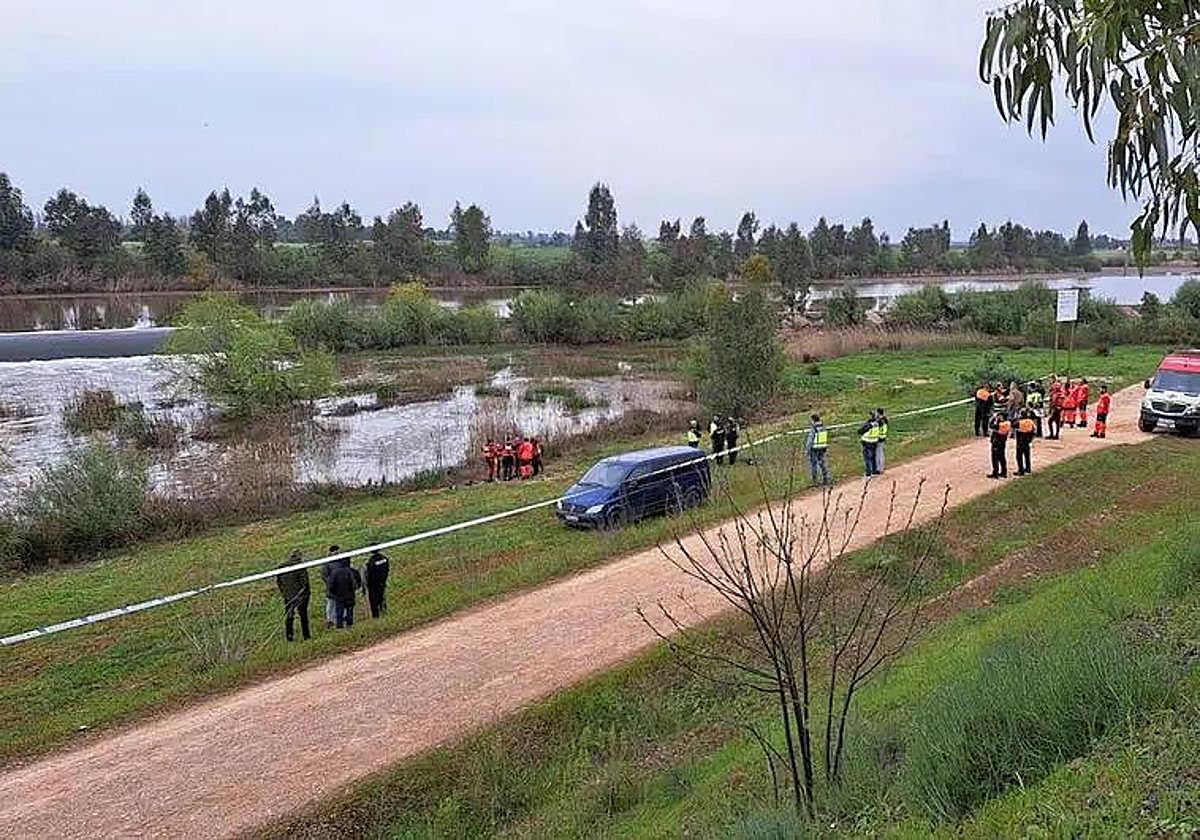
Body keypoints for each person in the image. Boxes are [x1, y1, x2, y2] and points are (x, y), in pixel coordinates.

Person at [275, 550, 311, 642]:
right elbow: (305, 582)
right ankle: (306, 636)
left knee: (289, 615)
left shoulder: (281, 567)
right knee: (303, 615)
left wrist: (283, 592)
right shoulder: (300, 566)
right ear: (299, 557)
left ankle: (289, 636)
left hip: (287, 596)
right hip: (300, 596)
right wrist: (305, 594)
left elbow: (279, 582)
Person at [328, 557, 362, 629]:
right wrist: (353, 591)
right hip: (350, 595)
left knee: (339, 612)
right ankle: (349, 625)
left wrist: (334, 593)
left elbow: (330, 585)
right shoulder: (352, 571)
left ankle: (339, 626)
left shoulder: (335, 572)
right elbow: (355, 583)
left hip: (339, 596)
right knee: (350, 611)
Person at [362, 549, 390, 619]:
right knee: (382, 597)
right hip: (382, 581)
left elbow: (368, 574)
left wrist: (366, 585)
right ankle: (383, 612)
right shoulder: (384, 558)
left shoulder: (370, 562)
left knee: (374, 600)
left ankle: (376, 615)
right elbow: (387, 569)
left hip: (373, 584)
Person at [805, 413, 831, 486]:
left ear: (813, 420)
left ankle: (815, 481)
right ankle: (826, 478)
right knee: (823, 463)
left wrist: (807, 450)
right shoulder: (823, 427)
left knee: (814, 465)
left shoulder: (814, 428)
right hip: (822, 447)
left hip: (814, 448)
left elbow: (810, 440)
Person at [319, 545, 340, 629]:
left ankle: (338, 619)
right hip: (331, 587)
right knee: (331, 604)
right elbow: (324, 576)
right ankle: (330, 620)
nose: (337, 553)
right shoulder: (327, 563)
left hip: (340, 586)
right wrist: (331, 583)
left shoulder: (340, 560)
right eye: (336, 552)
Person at [988, 410, 1012, 479]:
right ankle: (1004, 472)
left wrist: (994, 418)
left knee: (995, 458)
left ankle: (995, 473)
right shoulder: (1007, 423)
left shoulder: (1001, 425)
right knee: (1002, 457)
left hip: (996, 442)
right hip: (1002, 442)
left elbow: (991, 425)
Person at [1014, 408, 1036, 475]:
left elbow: (1013, 425)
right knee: (1027, 455)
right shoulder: (1030, 421)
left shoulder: (1019, 422)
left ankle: (1021, 470)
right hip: (1027, 441)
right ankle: (1028, 468)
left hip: (1020, 440)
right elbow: (1034, 430)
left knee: (1019, 456)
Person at [858, 410, 880, 478]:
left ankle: (868, 473)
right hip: (874, 441)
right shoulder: (877, 423)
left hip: (867, 442)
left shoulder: (869, 424)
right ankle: (874, 471)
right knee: (873, 457)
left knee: (867, 458)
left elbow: (860, 431)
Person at [874, 407, 889, 474]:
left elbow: (876, 425)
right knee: (881, 453)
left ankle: (879, 469)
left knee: (878, 453)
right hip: (883, 436)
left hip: (879, 437)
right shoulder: (885, 419)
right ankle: (881, 467)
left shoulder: (880, 421)